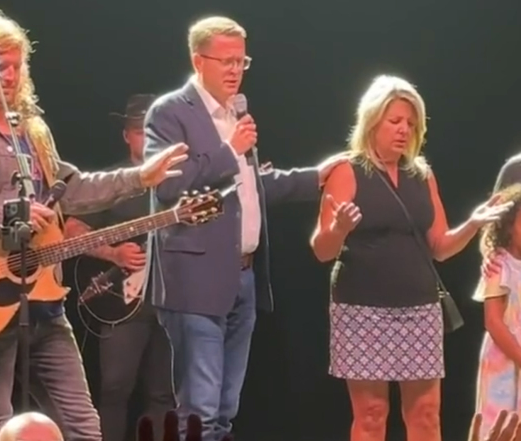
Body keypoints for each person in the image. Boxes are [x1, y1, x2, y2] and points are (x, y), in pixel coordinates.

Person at [0, 11, 188, 441]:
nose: (11, 75)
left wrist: (140, 176)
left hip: (44, 301)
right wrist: (6, 214)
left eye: (18, 65)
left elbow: (72, 188)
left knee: (84, 428)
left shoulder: (32, 132)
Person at [143, 15, 346, 440]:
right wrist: (227, 149)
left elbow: (253, 187)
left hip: (243, 277)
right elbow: (168, 187)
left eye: (242, 61)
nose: (236, 70)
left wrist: (314, 178)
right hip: (194, 279)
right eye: (226, 61)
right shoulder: (170, 113)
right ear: (198, 60)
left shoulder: (237, 114)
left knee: (225, 408)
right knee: (198, 408)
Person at [310, 74, 509, 441]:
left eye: (411, 123)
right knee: (371, 414)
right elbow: (322, 251)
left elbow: (440, 246)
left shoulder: (421, 174)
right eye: (395, 121)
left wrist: (473, 224)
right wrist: (338, 228)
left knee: (426, 413)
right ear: (372, 120)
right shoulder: (346, 171)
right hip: (361, 310)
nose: (404, 130)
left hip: (419, 308)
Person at [63, 94, 174, 441]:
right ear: (127, 135)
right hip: (121, 305)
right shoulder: (111, 182)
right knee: (114, 389)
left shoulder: (184, 183)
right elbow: (71, 229)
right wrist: (113, 254)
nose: (148, 138)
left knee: (164, 395)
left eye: (154, 131)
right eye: (140, 131)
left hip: (173, 299)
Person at [474, 184, 521, 438]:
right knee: (500, 423)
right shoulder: (500, 265)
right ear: (507, 226)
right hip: (505, 358)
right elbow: (493, 321)